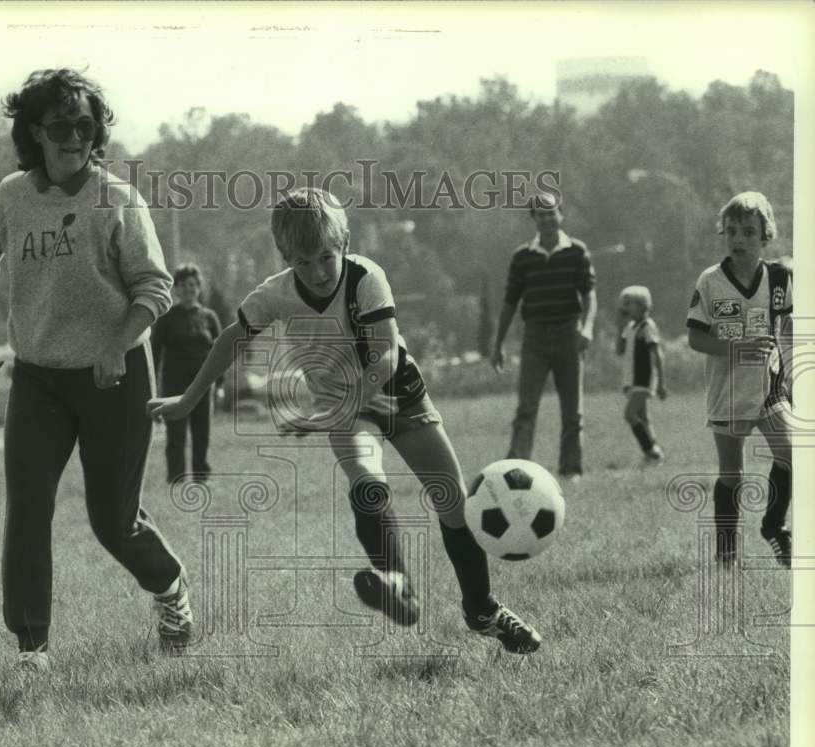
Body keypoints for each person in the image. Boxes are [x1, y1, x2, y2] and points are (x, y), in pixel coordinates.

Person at [150, 188, 542, 654]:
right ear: (285, 257)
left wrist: (327, 412)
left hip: (400, 395)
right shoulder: (274, 294)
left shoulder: (366, 278)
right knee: (366, 480)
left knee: (452, 501)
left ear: (345, 243)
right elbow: (231, 338)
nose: (315, 273)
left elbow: (385, 357)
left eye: (325, 258)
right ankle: (395, 584)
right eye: (302, 262)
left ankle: (483, 610)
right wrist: (190, 398)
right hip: (344, 407)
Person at [0, 68, 194, 671]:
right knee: (28, 506)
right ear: (35, 130)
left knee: (113, 523)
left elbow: (155, 286)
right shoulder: (11, 195)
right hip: (38, 376)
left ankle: (169, 588)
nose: (76, 138)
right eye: (61, 126)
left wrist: (116, 344)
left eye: (87, 126)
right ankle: (31, 646)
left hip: (114, 375)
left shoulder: (116, 198)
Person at [686, 191, 792, 568]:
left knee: (792, 454)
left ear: (766, 235)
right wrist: (738, 347)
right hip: (728, 390)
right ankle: (727, 552)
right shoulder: (711, 281)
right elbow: (695, 337)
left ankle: (774, 528)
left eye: (749, 232)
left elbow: (790, 330)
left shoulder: (779, 278)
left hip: (769, 387)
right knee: (732, 473)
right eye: (731, 231)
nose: (739, 239)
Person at [491, 191, 597, 482]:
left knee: (572, 411)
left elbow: (589, 296)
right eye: (541, 214)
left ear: (561, 214)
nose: (548, 219)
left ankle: (570, 469)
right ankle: (517, 469)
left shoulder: (577, 251)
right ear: (534, 218)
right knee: (526, 407)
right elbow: (510, 301)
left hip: (568, 335)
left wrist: (587, 328)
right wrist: (497, 342)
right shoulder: (523, 257)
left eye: (552, 213)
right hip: (535, 338)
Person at [150, 264, 224, 483]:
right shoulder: (167, 318)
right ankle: (176, 477)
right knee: (176, 434)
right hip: (174, 384)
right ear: (176, 290)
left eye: (192, 285)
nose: (188, 289)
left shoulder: (209, 318)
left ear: (199, 288)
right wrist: (152, 383)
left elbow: (220, 352)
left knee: (202, 433)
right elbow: (154, 352)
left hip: (203, 384)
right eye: (182, 285)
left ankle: (201, 476)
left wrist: (219, 384)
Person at [615, 285, 667, 465]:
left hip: (643, 379)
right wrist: (619, 328)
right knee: (643, 418)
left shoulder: (647, 326)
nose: (626, 308)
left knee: (629, 414)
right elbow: (619, 350)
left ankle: (651, 451)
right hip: (631, 379)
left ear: (643, 306)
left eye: (630, 304)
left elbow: (657, 353)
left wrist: (660, 382)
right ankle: (654, 452)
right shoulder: (629, 327)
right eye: (625, 304)